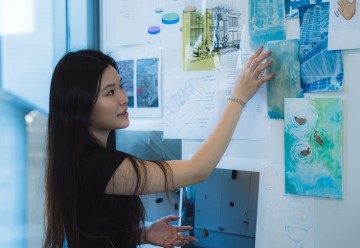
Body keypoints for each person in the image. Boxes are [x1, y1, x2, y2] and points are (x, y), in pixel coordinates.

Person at [44, 46, 274, 248]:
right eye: (110, 92)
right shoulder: (98, 166)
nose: (124, 98)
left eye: (121, 86)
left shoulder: (81, 160)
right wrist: (238, 97)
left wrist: (141, 234)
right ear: (81, 105)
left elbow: (93, 229)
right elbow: (198, 169)